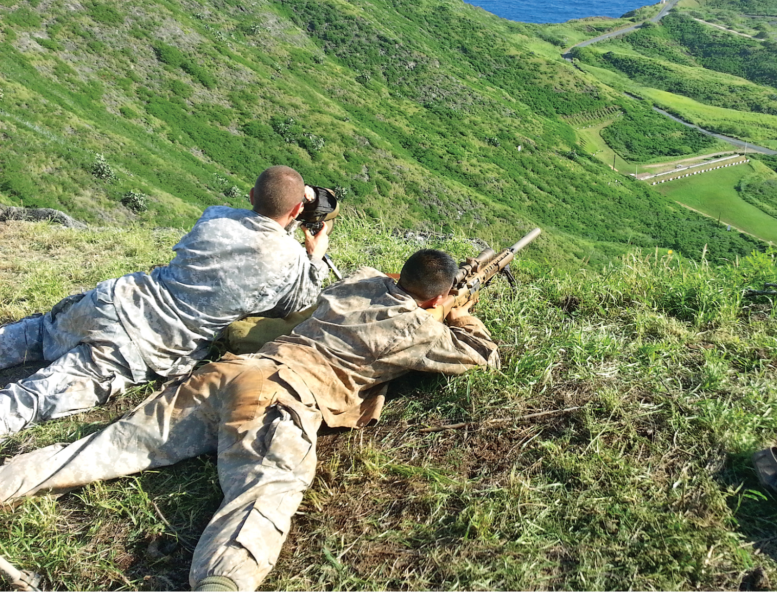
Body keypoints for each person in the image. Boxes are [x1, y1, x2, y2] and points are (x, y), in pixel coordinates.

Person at [0, 249, 499, 592]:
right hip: (282, 398)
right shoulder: (419, 328)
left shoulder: (360, 279)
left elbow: (387, 285)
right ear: (434, 298)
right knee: (267, 491)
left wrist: (435, 297)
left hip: (229, 373)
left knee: (98, 449)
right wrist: (458, 312)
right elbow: (482, 353)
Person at [0, 165, 330, 441]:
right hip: (135, 347)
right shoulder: (291, 263)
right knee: (30, 399)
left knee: (33, 335)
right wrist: (314, 258)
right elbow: (295, 304)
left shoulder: (215, 218)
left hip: (110, 300)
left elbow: (254, 232)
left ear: (251, 197)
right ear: (298, 210)